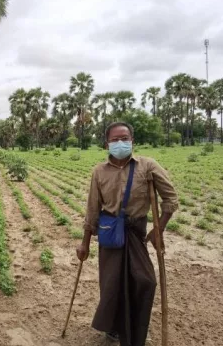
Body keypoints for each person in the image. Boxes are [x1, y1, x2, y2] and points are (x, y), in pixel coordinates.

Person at [76, 122, 178, 346]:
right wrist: (84, 244)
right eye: (114, 140)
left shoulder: (148, 166)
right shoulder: (99, 172)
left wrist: (158, 229)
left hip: (136, 232)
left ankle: (137, 327)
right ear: (107, 144)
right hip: (111, 233)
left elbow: (171, 199)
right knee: (111, 284)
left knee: (145, 281)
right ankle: (113, 328)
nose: (120, 143)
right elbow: (93, 209)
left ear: (133, 140)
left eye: (124, 138)